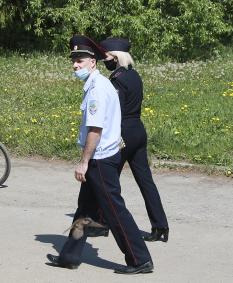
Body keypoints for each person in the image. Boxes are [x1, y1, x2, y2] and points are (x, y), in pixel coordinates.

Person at [46, 35, 153, 274]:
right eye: (73, 60)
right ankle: (69, 256)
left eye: (80, 60)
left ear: (93, 62)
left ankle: (140, 259)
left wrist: (84, 162)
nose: (75, 65)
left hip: (101, 159)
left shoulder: (97, 89)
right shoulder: (101, 84)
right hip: (104, 155)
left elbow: (95, 129)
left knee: (115, 211)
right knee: (84, 209)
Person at [99, 37, 169, 242]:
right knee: (145, 180)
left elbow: (116, 111)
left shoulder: (117, 79)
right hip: (138, 129)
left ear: (117, 57)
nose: (105, 61)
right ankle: (161, 226)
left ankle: (102, 223)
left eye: (107, 57)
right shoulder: (134, 75)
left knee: (106, 178)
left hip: (123, 133)